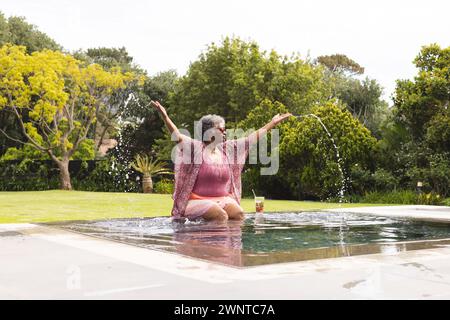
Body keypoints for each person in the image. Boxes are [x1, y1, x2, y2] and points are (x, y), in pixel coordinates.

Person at [150, 100, 291, 221]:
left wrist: (272, 123)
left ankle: (229, 248)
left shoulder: (227, 150)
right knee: (220, 215)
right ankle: (212, 249)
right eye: (221, 129)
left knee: (239, 214)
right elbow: (178, 136)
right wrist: (165, 117)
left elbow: (250, 139)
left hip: (222, 199)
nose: (225, 132)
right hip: (197, 200)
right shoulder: (195, 148)